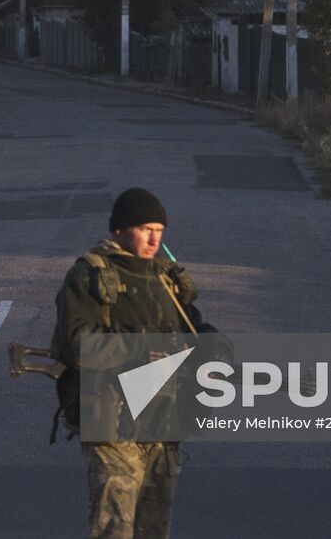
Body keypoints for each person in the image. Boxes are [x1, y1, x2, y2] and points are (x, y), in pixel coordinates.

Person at [50, 187, 212, 539]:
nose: (154, 238)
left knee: (154, 527)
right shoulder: (90, 275)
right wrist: (142, 351)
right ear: (120, 229)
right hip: (113, 420)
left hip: (163, 419)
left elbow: (193, 327)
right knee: (114, 526)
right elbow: (79, 344)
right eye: (145, 229)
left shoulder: (164, 278)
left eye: (159, 231)